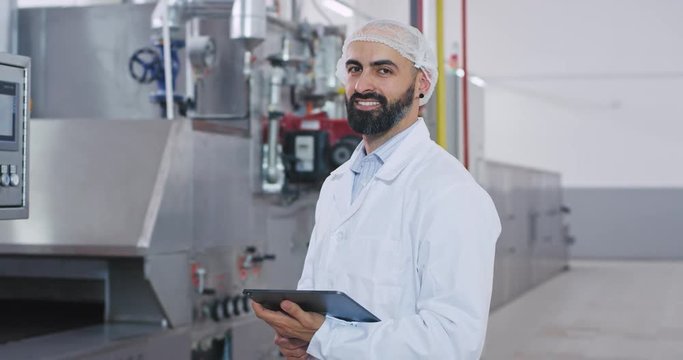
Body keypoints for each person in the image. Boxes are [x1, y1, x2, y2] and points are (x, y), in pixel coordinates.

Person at [253, 19, 501, 359]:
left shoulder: (452, 194)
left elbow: (453, 341)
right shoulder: (336, 185)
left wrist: (324, 339)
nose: (362, 84)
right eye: (354, 69)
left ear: (421, 83)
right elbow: (313, 297)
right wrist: (299, 336)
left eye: (383, 70)